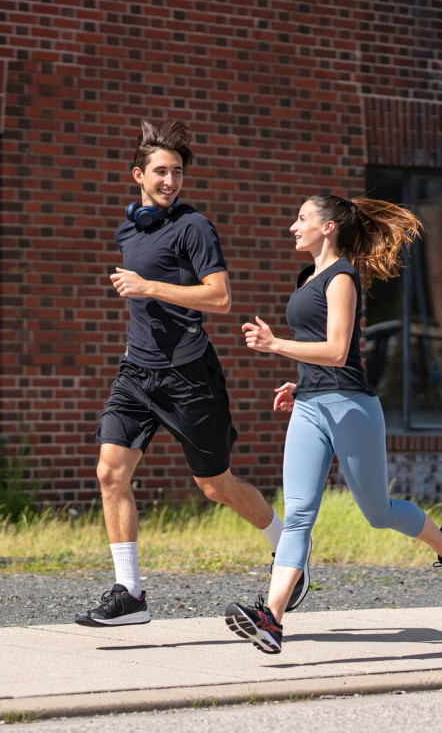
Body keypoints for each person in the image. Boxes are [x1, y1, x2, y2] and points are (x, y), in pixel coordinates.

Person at [76, 119, 309, 627]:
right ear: (139, 174)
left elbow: (220, 298)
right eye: (161, 171)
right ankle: (130, 593)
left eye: (177, 172)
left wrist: (148, 287)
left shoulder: (194, 226)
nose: (170, 181)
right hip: (137, 371)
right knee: (109, 472)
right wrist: (144, 289)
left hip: (189, 374)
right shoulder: (128, 228)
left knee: (215, 485)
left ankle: (288, 550)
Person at [224, 193, 442, 654]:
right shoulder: (308, 278)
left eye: (301, 218)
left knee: (377, 512)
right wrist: (300, 384)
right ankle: (272, 619)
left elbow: (339, 352)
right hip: (310, 405)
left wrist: (275, 345)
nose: (292, 226)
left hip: (350, 406)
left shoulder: (342, 278)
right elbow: (317, 352)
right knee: (298, 515)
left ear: (327, 228)